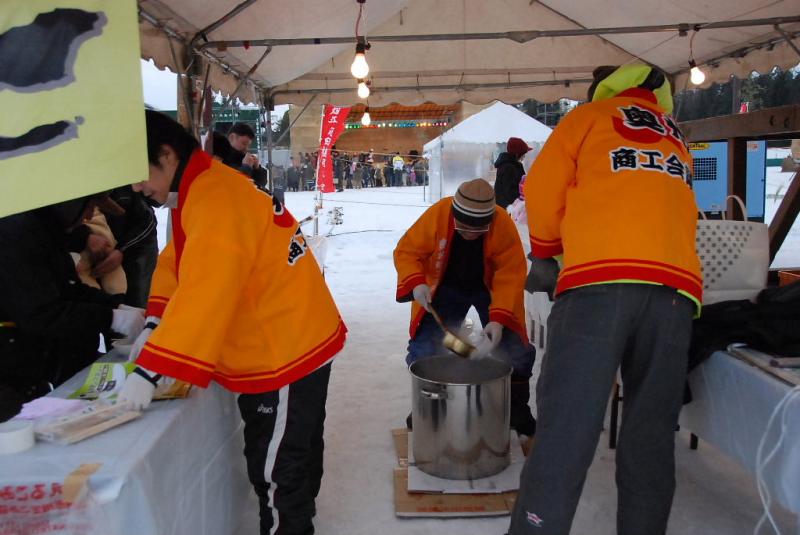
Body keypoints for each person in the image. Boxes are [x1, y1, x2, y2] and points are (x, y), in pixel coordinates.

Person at [119, 110, 347, 535]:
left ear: (166, 155)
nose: (136, 187)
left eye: (137, 172)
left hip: (286, 344)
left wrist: (153, 367)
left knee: (280, 463)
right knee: (298, 442)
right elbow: (180, 261)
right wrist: (156, 320)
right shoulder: (206, 186)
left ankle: (290, 528)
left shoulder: (215, 194)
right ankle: (298, 518)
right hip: (296, 330)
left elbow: (209, 288)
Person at [508, 64, 701, 535]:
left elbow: (542, 188)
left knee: (567, 428)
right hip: (675, 295)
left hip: (600, 282)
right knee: (651, 435)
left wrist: (548, 252)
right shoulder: (675, 136)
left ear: (601, 91)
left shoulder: (588, 119)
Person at [393, 178, 536, 436]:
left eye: (477, 230)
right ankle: (430, 407)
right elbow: (407, 251)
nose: (469, 234)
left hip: (488, 288)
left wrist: (498, 320)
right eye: (463, 227)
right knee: (429, 346)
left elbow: (511, 273)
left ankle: (516, 408)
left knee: (515, 348)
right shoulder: (439, 213)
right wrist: (416, 283)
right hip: (443, 286)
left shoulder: (502, 223)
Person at [0, 193, 145, 421]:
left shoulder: (46, 230)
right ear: (69, 205)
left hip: (35, 363)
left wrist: (117, 306)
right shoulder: (15, 234)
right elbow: (41, 312)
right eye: (87, 207)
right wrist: (111, 317)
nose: (88, 217)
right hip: (11, 368)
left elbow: (68, 289)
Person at [494, 137, 531, 209]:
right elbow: (509, 192)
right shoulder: (509, 168)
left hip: (508, 207)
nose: (524, 156)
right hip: (509, 209)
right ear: (517, 154)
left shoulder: (509, 165)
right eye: (523, 154)